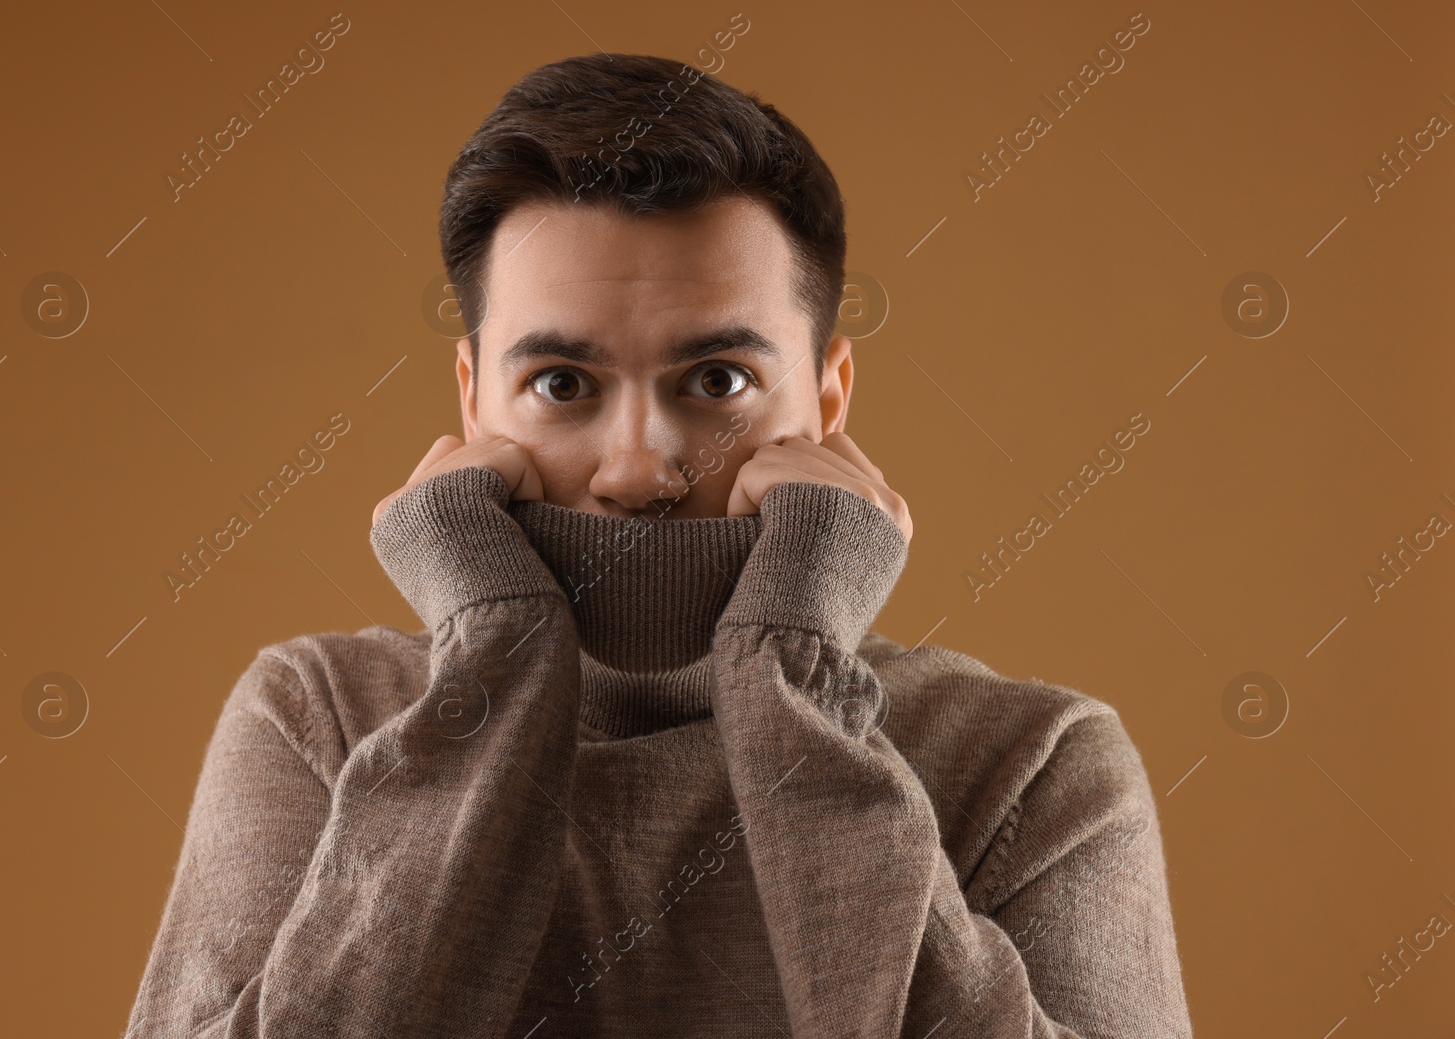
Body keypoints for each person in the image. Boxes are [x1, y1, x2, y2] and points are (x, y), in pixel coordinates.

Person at [122, 52, 1194, 1037]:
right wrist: (495, 652)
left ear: (826, 402)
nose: (637, 469)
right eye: (561, 385)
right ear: (472, 399)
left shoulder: (1027, 761)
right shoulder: (321, 715)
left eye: (717, 382)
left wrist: (796, 678)